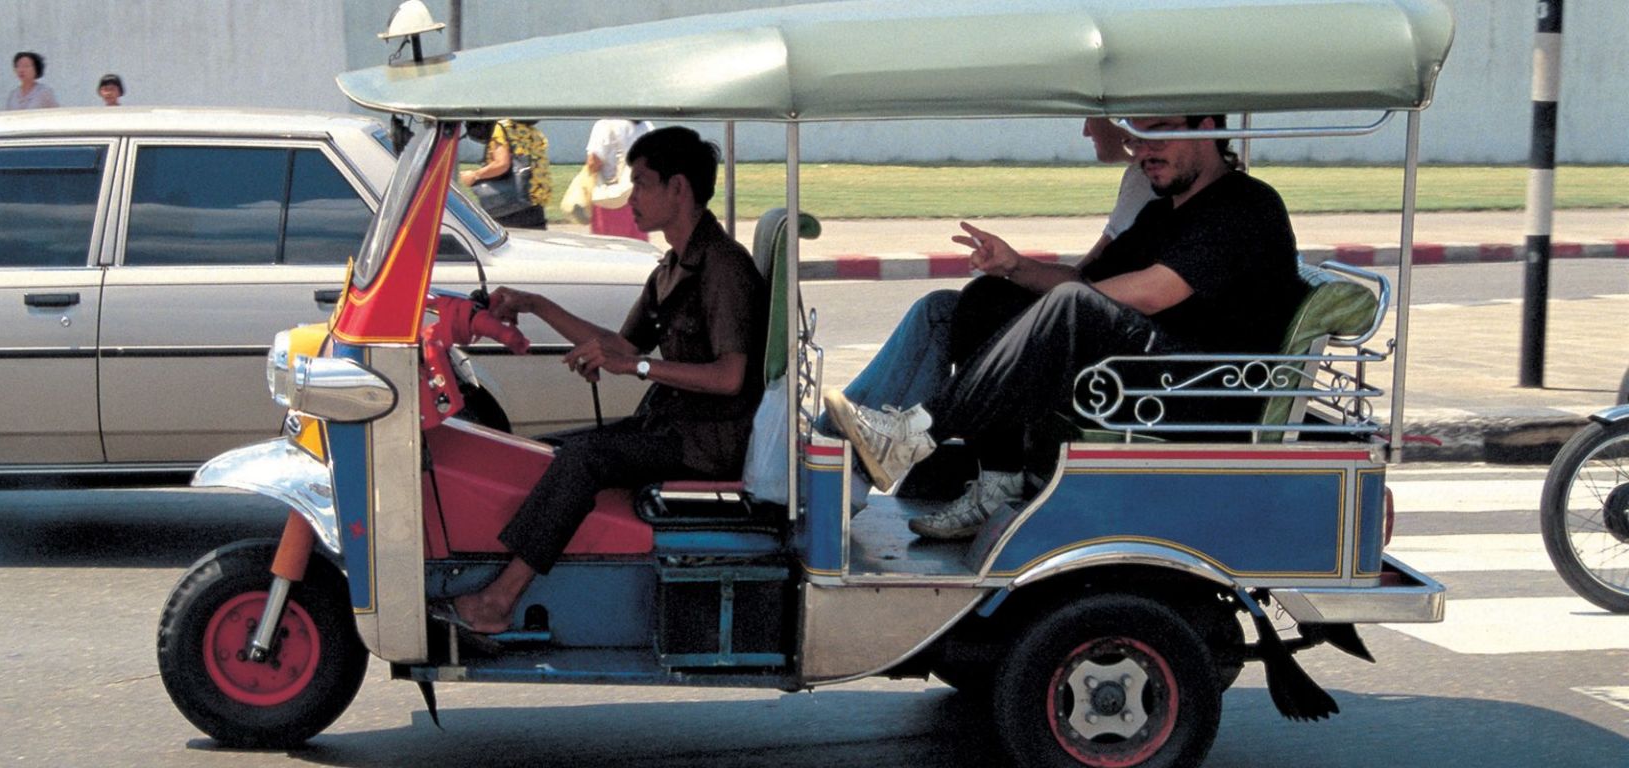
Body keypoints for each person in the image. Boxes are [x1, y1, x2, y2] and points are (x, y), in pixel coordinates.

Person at [825, 114, 1305, 540]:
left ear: (1208, 130)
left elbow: (1155, 290)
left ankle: (914, 433)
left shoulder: (1246, 205)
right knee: (987, 298)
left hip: (1206, 393)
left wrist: (1059, 308)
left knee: (1070, 305)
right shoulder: (1162, 213)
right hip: (1145, 376)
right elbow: (1084, 281)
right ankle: (999, 480)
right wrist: (1014, 266)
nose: (1144, 152)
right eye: (1136, 139)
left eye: (1158, 134)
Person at [440, 127, 767, 635]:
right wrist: (537, 305)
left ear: (678, 189)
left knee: (584, 460)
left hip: (707, 443)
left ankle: (498, 602)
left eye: (642, 184)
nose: (631, 197)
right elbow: (623, 345)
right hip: (672, 427)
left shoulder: (723, 268)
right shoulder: (673, 266)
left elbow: (730, 377)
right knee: (543, 452)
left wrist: (636, 369)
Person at [833, 118, 1154, 425]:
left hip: (1104, 345)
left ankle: (882, 430)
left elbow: (1088, 286)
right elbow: (1084, 275)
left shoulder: (1149, 189)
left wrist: (1043, 289)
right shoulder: (1145, 189)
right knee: (954, 304)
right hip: (1093, 328)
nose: (1086, 131)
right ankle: (872, 426)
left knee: (961, 306)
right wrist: (1015, 266)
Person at [460, 119, 552, 229]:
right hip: (534, 203)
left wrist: (474, 175)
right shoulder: (532, 131)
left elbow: (501, 164)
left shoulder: (502, 127)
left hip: (510, 204)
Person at [584, 118, 654, 240]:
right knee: (638, 247)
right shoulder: (647, 126)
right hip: (641, 200)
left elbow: (593, 162)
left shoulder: (605, 124)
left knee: (607, 246)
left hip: (612, 198)